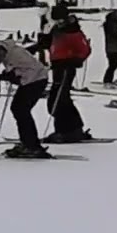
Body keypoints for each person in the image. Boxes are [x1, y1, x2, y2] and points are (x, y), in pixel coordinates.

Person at [0, 39, 52, 158]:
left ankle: (31, 146)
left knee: (21, 110)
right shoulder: (8, 51)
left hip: (36, 81)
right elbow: (16, 69)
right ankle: (28, 143)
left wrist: (6, 77)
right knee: (19, 109)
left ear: (0, 52)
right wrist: (4, 76)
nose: (1, 60)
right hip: (32, 80)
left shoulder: (15, 55)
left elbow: (28, 72)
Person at [45, 13, 93, 142]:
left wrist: (76, 60)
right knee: (58, 99)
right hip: (57, 67)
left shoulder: (73, 31)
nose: (58, 22)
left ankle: (66, 130)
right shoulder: (56, 30)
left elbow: (85, 49)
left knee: (59, 99)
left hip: (66, 67)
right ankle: (72, 129)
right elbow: (49, 43)